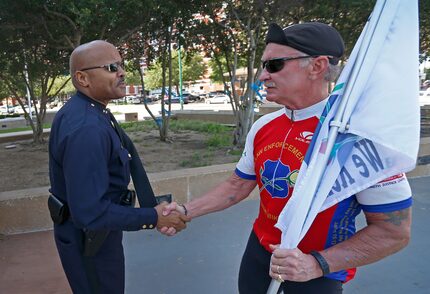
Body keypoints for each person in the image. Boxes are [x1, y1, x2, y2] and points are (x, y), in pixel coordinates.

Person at [163, 22, 413, 294]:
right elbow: (237, 185)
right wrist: (187, 211)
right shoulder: (264, 126)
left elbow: (393, 232)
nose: (261, 76)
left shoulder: (358, 137)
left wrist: (317, 264)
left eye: (274, 65)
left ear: (316, 67)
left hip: (315, 272)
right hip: (259, 255)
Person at [48, 40, 189, 294]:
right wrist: (153, 217)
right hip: (90, 242)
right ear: (83, 78)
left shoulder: (92, 111)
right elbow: (90, 214)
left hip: (98, 235)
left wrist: (153, 208)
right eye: (112, 67)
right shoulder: (86, 128)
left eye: (122, 65)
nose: (122, 72)